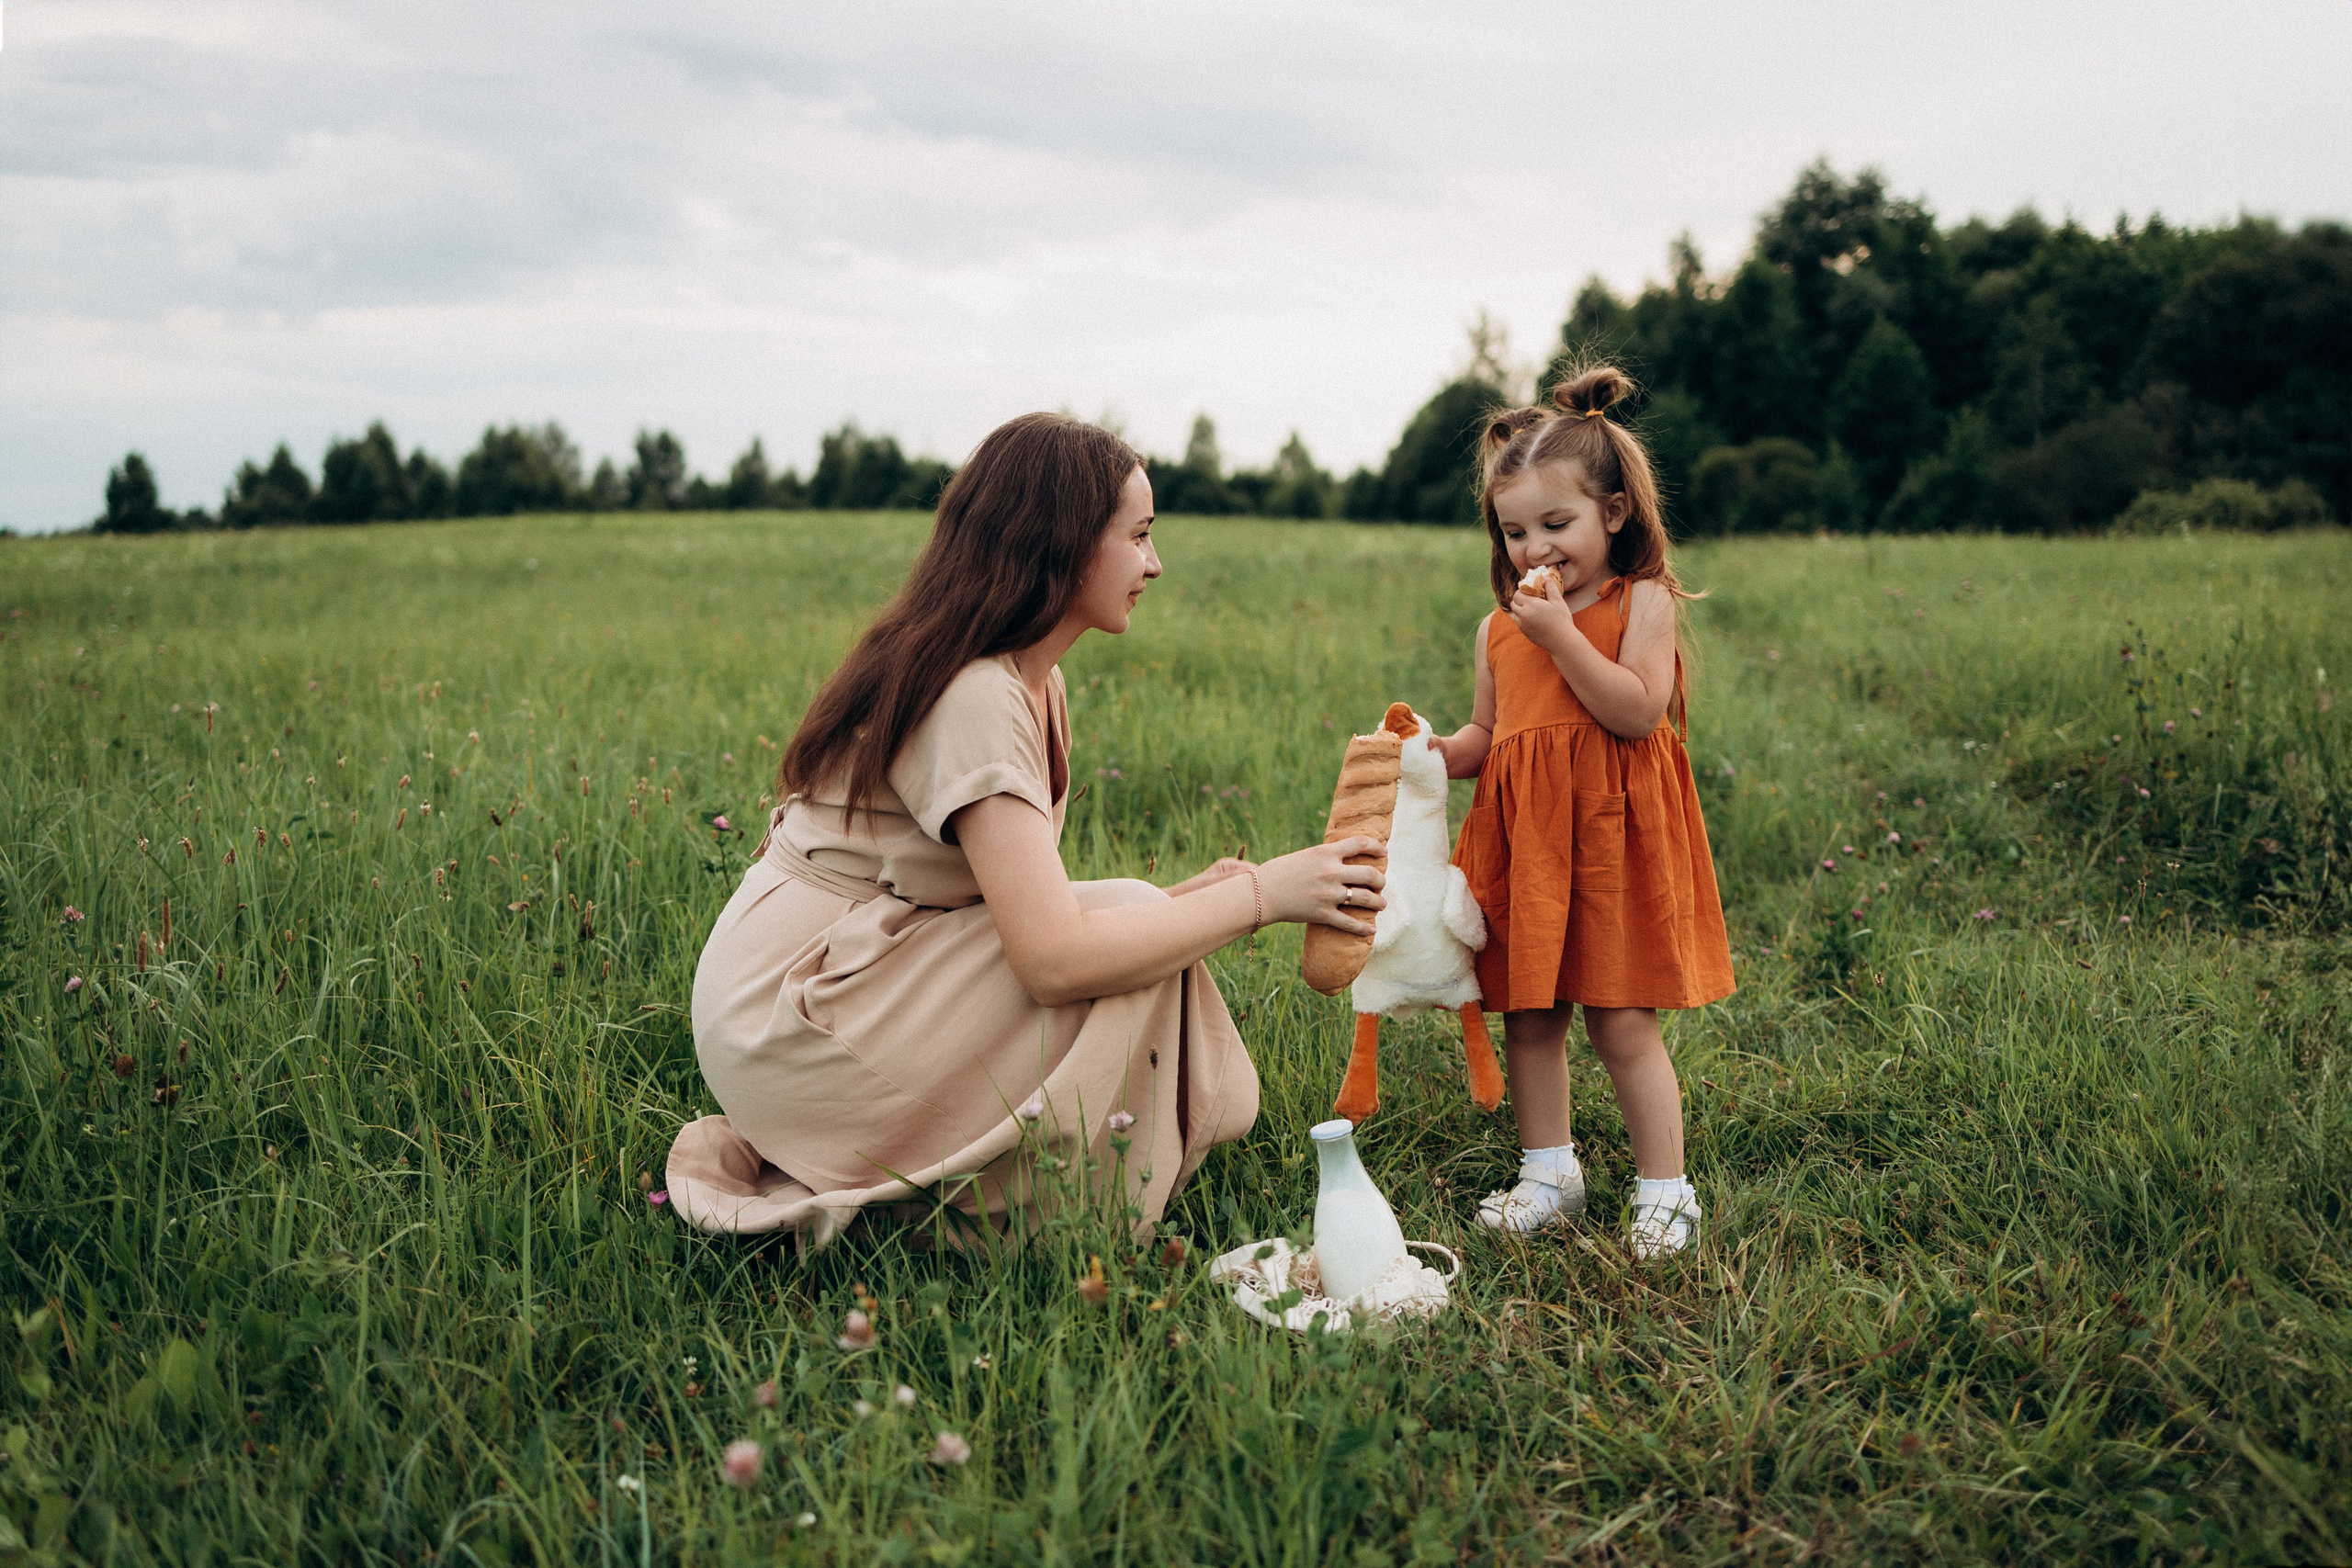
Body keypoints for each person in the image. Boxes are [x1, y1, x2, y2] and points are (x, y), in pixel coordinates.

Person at [668, 412, 1386, 1247]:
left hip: (859, 962)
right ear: (1065, 542)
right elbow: (1051, 960)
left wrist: (1194, 898)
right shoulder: (975, 692)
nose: (1155, 563)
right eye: (1141, 536)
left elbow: (1015, 901)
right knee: (1120, 958)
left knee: (1135, 906)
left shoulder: (1030, 681)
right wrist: (1263, 896)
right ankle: (1007, 1211)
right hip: (793, 1018)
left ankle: (984, 1176)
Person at [1432, 366, 1735, 1258]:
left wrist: (1559, 633)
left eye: (1554, 525)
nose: (1534, 549)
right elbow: (1491, 735)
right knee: (1529, 1016)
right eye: (1514, 530)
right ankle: (1548, 1174)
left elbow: (1637, 710)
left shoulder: (1637, 602)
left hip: (1611, 842)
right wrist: (1433, 755)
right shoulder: (1500, 628)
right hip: (1530, 848)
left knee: (1621, 1019)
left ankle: (1664, 1189)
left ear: (1613, 513)